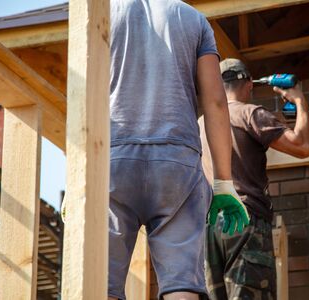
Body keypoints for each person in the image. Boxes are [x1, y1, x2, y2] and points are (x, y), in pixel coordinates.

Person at [107, 2, 249, 300]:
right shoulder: (194, 19)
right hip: (177, 163)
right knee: (181, 283)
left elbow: (81, 90)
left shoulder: (102, 10)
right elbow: (216, 102)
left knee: (101, 282)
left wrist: (77, 175)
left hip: (113, 159)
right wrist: (223, 182)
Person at [200, 58, 309, 299]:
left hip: (207, 225)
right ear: (249, 85)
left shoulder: (201, 123)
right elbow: (303, 146)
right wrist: (300, 101)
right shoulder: (250, 113)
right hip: (243, 220)